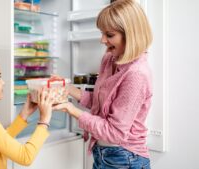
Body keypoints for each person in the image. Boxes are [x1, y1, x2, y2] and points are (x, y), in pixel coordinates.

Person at [53, 0, 153, 168]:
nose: (102, 40)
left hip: (126, 157)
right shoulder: (109, 59)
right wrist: (67, 88)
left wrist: (71, 109)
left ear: (131, 34)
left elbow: (115, 133)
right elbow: (103, 103)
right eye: (102, 33)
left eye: (109, 35)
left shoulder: (136, 74)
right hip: (102, 152)